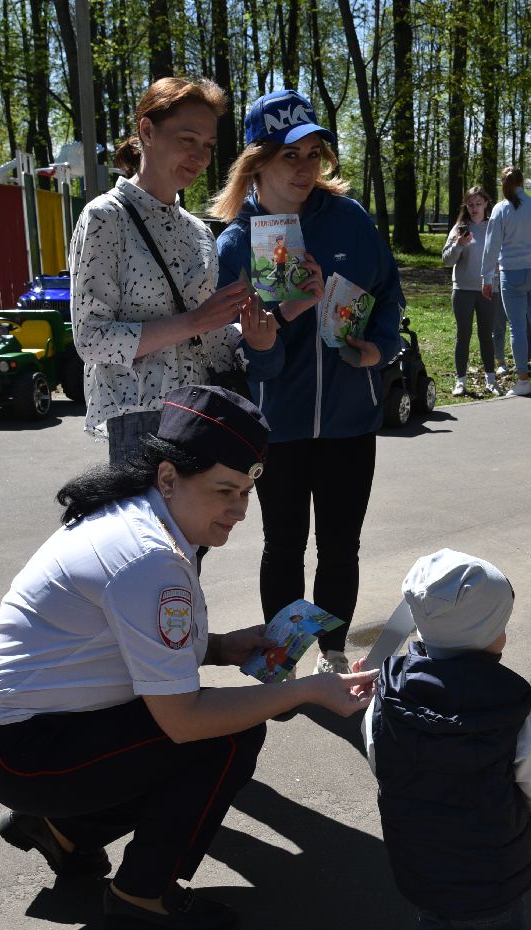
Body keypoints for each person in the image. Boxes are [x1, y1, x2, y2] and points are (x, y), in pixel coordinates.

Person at [0, 385, 377, 930]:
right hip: (23, 748)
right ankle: (143, 891)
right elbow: (184, 721)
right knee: (224, 738)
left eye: (248, 491)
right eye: (225, 491)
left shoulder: (136, 515)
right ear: (168, 476)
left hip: (16, 732)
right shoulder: (151, 558)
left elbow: (118, 642)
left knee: (201, 729)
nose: (240, 511)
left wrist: (222, 647)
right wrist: (303, 692)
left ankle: (64, 829)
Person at [212, 88, 404, 677]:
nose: (305, 169)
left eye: (314, 153)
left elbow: (388, 297)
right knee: (284, 545)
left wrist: (380, 348)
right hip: (281, 426)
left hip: (351, 418)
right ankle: (282, 657)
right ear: (258, 161)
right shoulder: (237, 244)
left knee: (341, 544)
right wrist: (272, 339)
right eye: (289, 156)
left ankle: (334, 651)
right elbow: (240, 358)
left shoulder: (349, 219)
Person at [362, 549, 531, 930]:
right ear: (491, 634)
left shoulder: (391, 692)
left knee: (437, 925)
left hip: (418, 856)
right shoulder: (509, 710)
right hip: (488, 867)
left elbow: (376, 750)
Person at [68, 76, 272, 465]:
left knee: (199, 529)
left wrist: (254, 334)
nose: (199, 156)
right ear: (147, 130)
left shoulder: (198, 232)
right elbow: (91, 340)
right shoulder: (104, 217)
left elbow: (206, 339)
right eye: (187, 140)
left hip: (200, 415)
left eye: (208, 146)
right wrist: (195, 320)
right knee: (147, 529)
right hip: (140, 419)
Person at [481, 166, 531, 397]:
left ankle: (523, 380)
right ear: (523, 182)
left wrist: (486, 277)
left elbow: (492, 245)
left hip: (513, 271)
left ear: (503, 184)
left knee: (518, 327)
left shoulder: (502, 209)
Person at [441, 186, 503, 396]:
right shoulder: (460, 227)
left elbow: (505, 254)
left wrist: (499, 265)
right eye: (470, 204)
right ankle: (460, 382)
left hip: (489, 290)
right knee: (463, 336)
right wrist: (459, 244)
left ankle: (491, 380)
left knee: (487, 335)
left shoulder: (495, 226)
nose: (474, 208)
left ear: (486, 203)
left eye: (478, 203)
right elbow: (446, 260)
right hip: (463, 290)